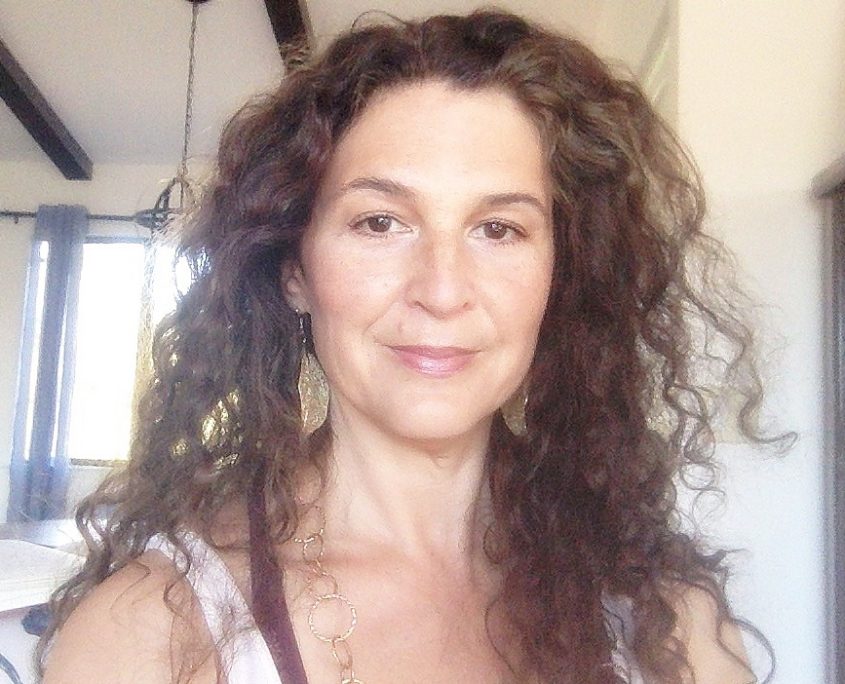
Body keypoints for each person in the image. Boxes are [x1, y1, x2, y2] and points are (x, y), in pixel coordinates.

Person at [40, 10, 779, 684]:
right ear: (295, 270)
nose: (442, 290)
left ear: (560, 276)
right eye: (380, 223)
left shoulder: (665, 619)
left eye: (499, 229)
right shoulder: (152, 633)